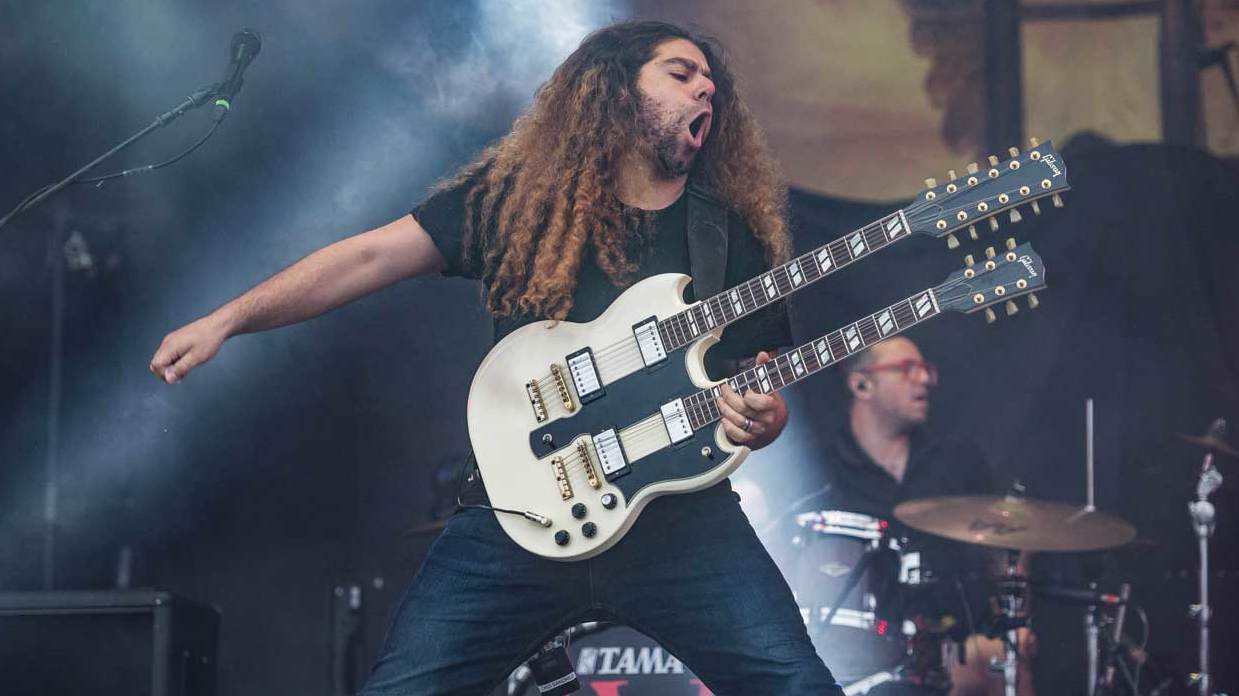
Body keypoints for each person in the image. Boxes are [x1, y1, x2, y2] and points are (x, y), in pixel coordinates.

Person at [150, 21, 844, 695]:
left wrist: (762, 416)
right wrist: (228, 319)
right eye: (681, 72)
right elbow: (366, 257)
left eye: (712, 85)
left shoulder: (730, 237)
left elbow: (758, 384)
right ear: (614, 90)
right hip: (518, 517)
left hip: (684, 525)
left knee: (792, 684)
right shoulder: (520, 205)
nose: (707, 92)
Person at [766, 335, 1035, 695]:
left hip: (948, 647)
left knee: (1005, 661)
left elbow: (1010, 540)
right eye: (907, 370)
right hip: (845, 648)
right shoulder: (818, 466)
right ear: (862, 384)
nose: (923, 379)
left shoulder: (955, 459)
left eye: (926, 370)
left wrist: (1013, 623)